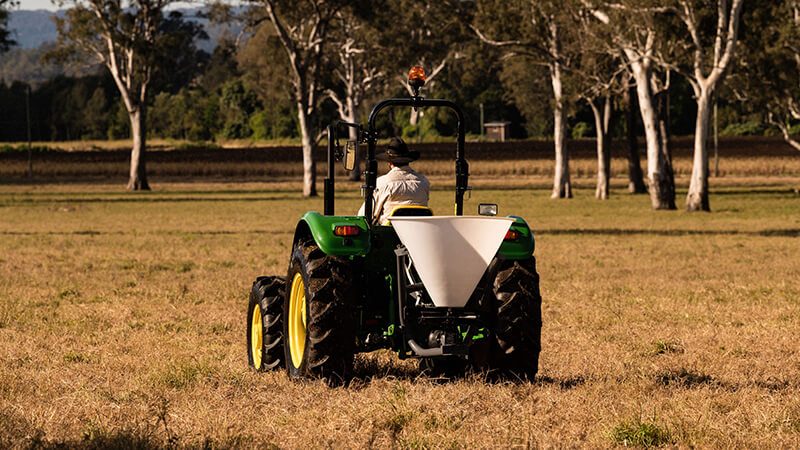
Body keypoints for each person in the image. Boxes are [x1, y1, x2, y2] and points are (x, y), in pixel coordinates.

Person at [357, 137, 430, 224]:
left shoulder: (383, 182)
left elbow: (364, 215)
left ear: (389, 163)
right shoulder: (424, 182)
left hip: (389, 233)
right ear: (408, 161)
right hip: (418, 231)